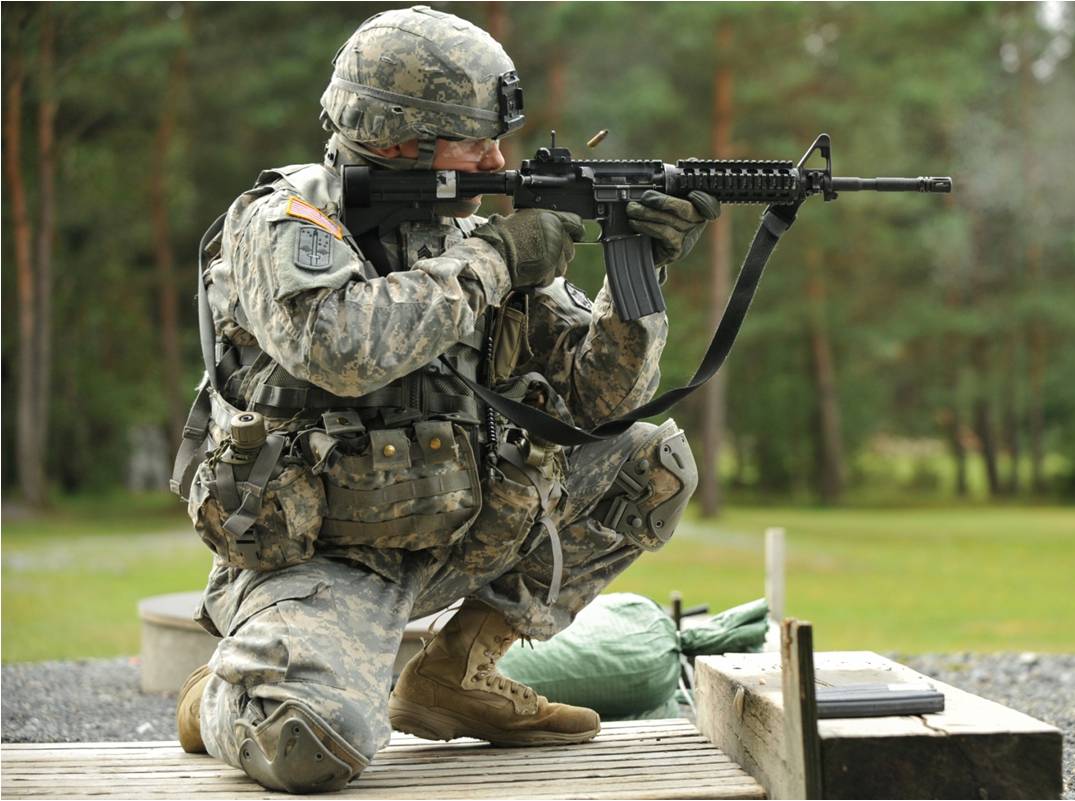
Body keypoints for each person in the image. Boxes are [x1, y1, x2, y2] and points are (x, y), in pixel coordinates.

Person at [171, 6, 717, 794]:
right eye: (476, 138)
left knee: (651, 464)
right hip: (321, 554)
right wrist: (496, 259)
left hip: (459, 532)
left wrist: (641, 272)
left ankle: (455, 673)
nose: (499, 157)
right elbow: (340, 346)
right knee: (309, 744)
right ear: (399, 138)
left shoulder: (462, 232)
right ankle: (220, 693)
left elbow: (598, 400)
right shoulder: (288, 223)